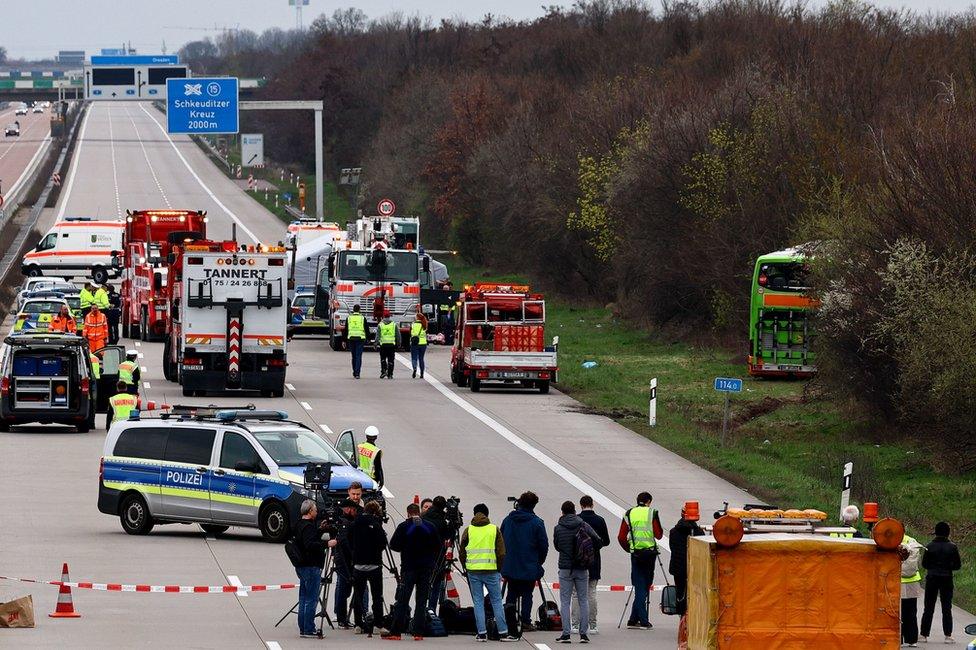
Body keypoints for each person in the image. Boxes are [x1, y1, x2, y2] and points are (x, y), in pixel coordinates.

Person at [460, 503, 517, 642]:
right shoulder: (494, 529)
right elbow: (501, 552)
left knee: (478, 602)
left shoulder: (469, 530)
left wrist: (465, 567)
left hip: (473, 571)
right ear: (487, 514)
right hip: (491, 570)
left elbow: (462, 552)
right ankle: (503, 632)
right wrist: (499, 568)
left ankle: (481, 633)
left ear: (474, 514)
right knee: (497, 601)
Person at [385, 503, 441, 640]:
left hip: (409, 567)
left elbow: (394, 545)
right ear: (419, 513)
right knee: (421, 601)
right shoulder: (429, 526)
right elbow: (438, 546)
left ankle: (396, 632)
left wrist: (406, 547)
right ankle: (418, 632)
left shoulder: (404, 526)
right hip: (426, 568)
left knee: (403, 600)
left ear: (408, 513)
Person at [501, 491, 549, 634]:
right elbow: (543, 545)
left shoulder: (508, 520)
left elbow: (500, 540)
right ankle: (526, 621)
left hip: (510, 564)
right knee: (527, 594)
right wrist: (538, 562)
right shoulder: (537, 523)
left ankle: (510, 621)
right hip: (529, 565)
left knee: (511, 593)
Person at [552, 500, 600, 644]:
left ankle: (566, 633)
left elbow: (556, 546)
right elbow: (598, 540)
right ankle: (583, 634)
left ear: (562, 512)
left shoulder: (558, 528)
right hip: (582, 567)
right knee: (583, 599)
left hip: (565, 567)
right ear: (574, 511)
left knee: (565, 601)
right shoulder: (583, 524)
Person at [617, 491, 663, 630]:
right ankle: (643, 620)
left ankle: (633, 618)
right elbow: (659, 535)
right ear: (649, 501)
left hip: (636, 554)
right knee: (645, 586)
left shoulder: (629, 513)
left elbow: (621, 536)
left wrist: (629, 548)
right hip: (649, 554)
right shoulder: (652, 513)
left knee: (638, 584)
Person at [293, 499, 335, 639]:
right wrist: (327, 543)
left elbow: (308, 539)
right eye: (315, 510)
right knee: (311, 599)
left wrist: (320, 530)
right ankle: (309, 628)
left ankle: (303, 627)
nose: (317, 512)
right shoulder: (308, 527)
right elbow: (310, 544)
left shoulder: (300, 524)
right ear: (310, 511)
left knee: (304, 597)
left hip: (301, 566)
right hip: (311, 566)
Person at [349, 500, 388, 635]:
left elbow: (348, 539)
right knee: (377, 596)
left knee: (358, 595)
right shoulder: (376, 524)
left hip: (358, 565)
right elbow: (383, 543)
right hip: (374, 565)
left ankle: (358, 624)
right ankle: (378, 624)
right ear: (376, 512)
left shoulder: (355, 523)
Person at [920, 522, 962, 644]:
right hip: (946, 578)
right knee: (946, 607)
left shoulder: (929, 546)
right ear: (948, 533)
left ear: (936, 531)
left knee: (928, 607)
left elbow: (924, 564)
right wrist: (948, 566)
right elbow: (957, 565)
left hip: (932, 577)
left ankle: (924, 634)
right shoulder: (952, 547)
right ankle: (948, 635)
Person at [573, 495, 610, 634]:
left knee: (576, 594)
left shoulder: (577, 520)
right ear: (592, 505)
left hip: (578, 561)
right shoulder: (600, 520)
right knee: (591, 593)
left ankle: (575, 625)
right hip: (594, 560)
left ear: (581, 505)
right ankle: (593, 625)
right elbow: (606, 541)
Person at [668, 503, 704, 618]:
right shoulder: (699, 533)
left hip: (678, 568)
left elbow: (673, 548)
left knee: (680, 593)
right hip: (695, 569)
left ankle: (682, 616)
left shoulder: (674, 532)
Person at [333, 499, 360, 629]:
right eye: (354, 510)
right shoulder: (345, 523)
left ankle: (342, 618)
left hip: (344, 559)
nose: (355, 513)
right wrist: (353, 554)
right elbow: (343, 542)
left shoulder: (345, 521)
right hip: (343, 560)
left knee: (346, 590)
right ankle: (341, 618)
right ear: (348, 509)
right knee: (343, 590)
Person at [423, 495, 452, 612]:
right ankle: (432, 611)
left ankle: (420, 612)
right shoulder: (441, 522)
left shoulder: (424, 518)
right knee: (436, 586)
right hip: (437, 557)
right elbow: (448, 536)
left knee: (423, 585)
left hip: (423, 556)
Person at [900, 532, 925, 647]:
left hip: (895, 580)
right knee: (911, 611)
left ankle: (897, 638)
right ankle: (912, 639)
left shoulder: (891, 540)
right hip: (912, 581)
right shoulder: (911, 541)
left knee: (894, 612)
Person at [346, 304, 369, 379]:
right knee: (358, 356)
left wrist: (344, 340)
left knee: (353, 356)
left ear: (353, 309)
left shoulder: (349, 318)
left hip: (351, 338)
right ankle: (357, 373)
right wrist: (368, 338)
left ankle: (354, 371)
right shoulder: (362, 318)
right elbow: (366, 329)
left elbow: (346, 329)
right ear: (359, 310)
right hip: (360, 338)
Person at [378, 310, 397, 379]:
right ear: (390, 316)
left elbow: (378, 335)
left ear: (383, 316)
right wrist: (399, 343)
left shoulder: (380, 325)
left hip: (383, 345)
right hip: (391, 345)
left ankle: (383, 371)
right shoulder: (394, 324)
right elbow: (398, 335)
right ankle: (390, 374)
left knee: (383, 359)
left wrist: (375, 343)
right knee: (391, 360)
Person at [410, 307, 428, 379]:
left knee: (414, 357)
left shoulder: (413, 325)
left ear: (417, 318)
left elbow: (411, 333)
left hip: (415, 343)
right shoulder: (424, 325)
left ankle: (414, 369)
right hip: (423, 344)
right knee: (421, 358)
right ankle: (422, 373)